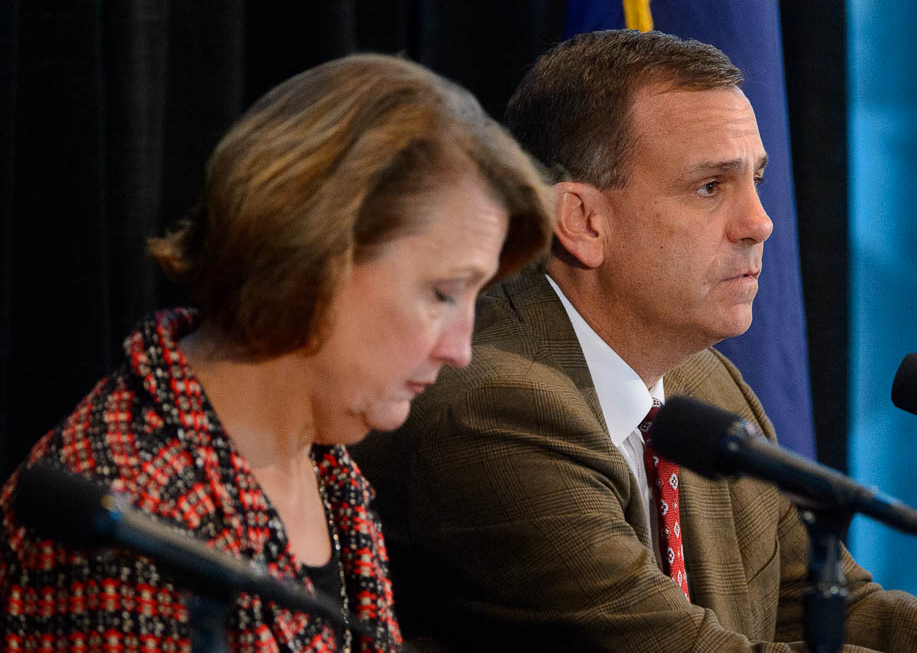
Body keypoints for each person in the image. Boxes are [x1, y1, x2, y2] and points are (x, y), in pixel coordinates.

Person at [350, 31, 917, 651]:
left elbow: (836, 614)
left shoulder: (707, 386)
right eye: (711, 186)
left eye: (757, 179)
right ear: (581, 220)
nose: (761, 222)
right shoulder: (494, 409)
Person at [0, 53, 551, 651]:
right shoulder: (128, 509)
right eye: (443, 293)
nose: (462, 349)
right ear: (311, 255)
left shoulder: (323, 455)